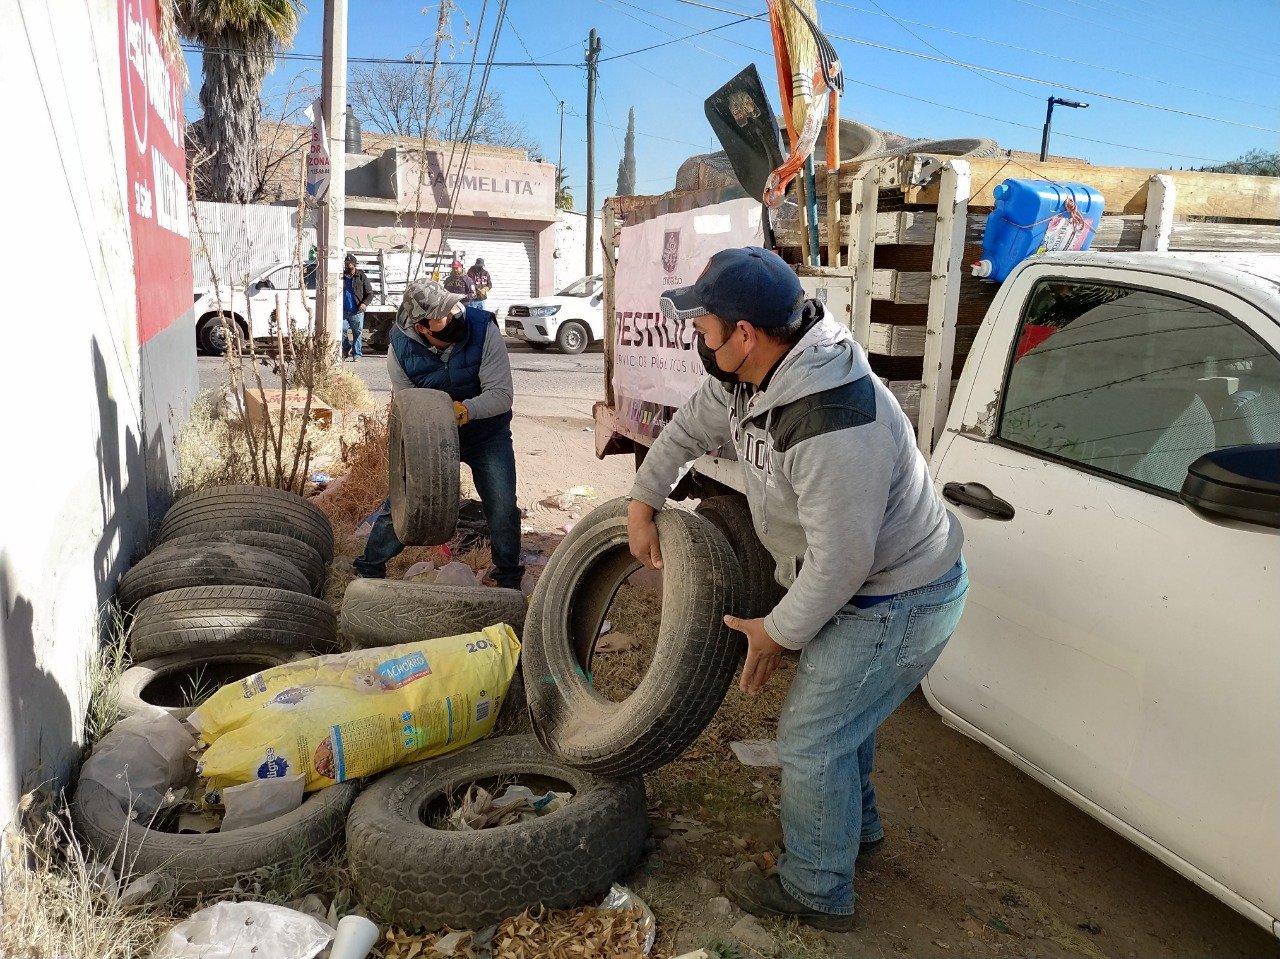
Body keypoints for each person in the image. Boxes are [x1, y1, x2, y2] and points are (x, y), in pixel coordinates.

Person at [626, 247, 967, 931]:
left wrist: (778, 632)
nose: (699, 337)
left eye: (706, 326)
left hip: (900, 595)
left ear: (746, 333)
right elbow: (691, 425)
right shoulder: (751, 375)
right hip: (862, 583)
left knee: (811, 736)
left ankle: (816, 889)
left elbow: (843, 560)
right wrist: (643, 497)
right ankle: (854, 832)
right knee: (844, 720)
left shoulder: (833, 417)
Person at [354, 279, 524, 590]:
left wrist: (463, 410)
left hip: (487, 434)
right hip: (433, 439)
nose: (454, 316)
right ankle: (369, 569)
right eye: (442, 316)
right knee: (405, 502)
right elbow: (408, 406)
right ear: (421, 327)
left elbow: (501, 394)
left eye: (452, 308)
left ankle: (509, 578)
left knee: (502, 505)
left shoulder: (483, 328)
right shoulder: (400, 348)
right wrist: (424, 435)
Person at [341, 253, 373, 362]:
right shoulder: (342, 276)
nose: (347, 267)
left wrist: (364, 304)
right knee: (341, 330)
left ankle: (357, 354)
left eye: (349, 264)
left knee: (357, 333)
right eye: (346, 264)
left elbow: (369, 293)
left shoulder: (361, 277)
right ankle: (345, 348)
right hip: (343, 311)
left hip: (357, 311)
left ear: (354, 265)